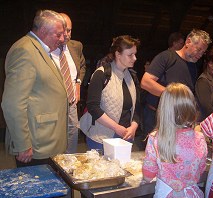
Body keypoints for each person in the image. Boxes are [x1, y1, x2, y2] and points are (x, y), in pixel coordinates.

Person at [1, 10, 68, 167]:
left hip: (46, 138)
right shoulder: (24, 50)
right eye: (58, 34)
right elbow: (13, 103)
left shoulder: (40, 50)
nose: (62, 39)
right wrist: (23, 144)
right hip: (36, 143)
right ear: (44, 31)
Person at [141, 28, 212, 138]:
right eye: (198, 50)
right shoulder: (166, 57)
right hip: (156, 118)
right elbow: (145, 82)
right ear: (188, 42)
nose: (200, 55)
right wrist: (174, 97)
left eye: (203, 52)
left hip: (178, 122)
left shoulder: (193, 67)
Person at [142, 83, 208, 198]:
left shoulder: (155, 139)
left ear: (163, 110)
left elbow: (148, 176)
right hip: (191, 196)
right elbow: (201, 168)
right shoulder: (200, 138)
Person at [80, 35, 140, 151]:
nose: (135, 58)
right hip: (101, 137)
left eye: (135, 54)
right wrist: (116, 128)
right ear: (118, 54)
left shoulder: (132, 76)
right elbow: (93, 107)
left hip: (125, 136)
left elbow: (137, 107)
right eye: (130, 55)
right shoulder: (101, 74)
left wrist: (133, 127)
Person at [51, 13, 86, 153]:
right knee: (54, 141)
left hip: (71, 104)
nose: (66, 34)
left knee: (72, 137)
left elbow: (82, 66)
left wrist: (77, 83)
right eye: (63, 30)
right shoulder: (47, 48)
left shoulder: (76, 46)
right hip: (53, 105)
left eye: (69, 30)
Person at [195, 46, 213, 122]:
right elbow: (207, 109)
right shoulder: (202, 81)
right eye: (212, 63)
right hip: (203, 125)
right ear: (207, 63)